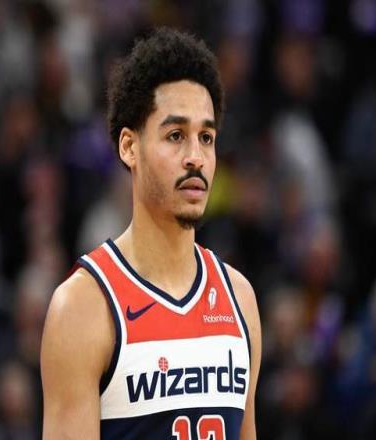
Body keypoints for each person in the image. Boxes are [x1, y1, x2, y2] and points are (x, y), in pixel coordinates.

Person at [40, 28, 261, 439]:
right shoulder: (83, 307)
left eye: (206, 138)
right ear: (129, 147)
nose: (195, 157)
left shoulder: (240, 300)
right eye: (176, 136)